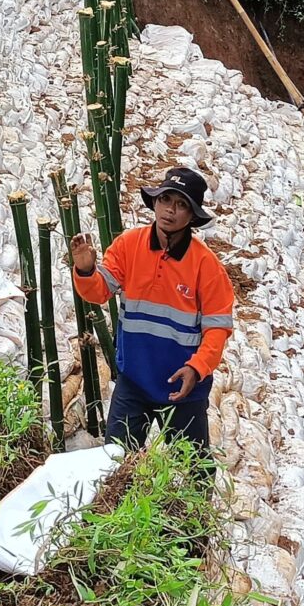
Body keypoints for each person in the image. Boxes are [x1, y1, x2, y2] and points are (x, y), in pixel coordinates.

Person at [68, 167, 235, 449]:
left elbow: (217, 329)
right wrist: (85, 270)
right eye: (165, 199)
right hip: (134, 380)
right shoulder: (129, 245)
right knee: (115, 461)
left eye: (181, 205)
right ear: (155, 202)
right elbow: (99, 291)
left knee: (192, 467)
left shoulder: (207, 266)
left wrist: (197, 368)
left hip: (184, 387)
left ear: (192, 216)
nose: (170, 210)